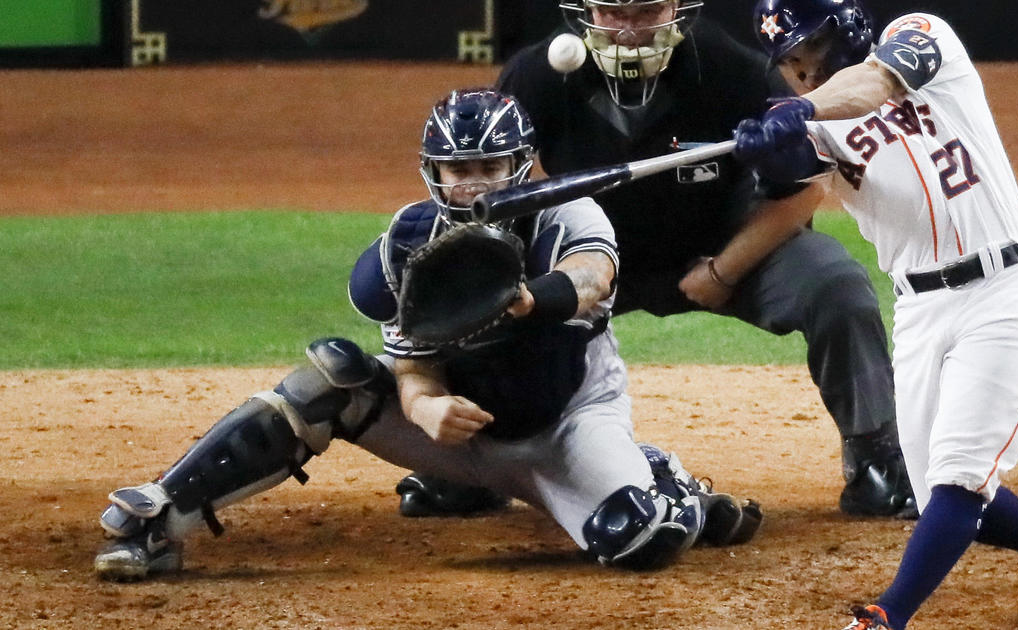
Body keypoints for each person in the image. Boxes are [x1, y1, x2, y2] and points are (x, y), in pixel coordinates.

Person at [92, 88, 762, 581]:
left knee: (641, 540)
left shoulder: (566, 215)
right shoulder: (407, 245)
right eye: (458, 170)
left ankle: (665, 485)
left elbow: (590, 278)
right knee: (332, 379)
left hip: (566, 430)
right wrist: (426, 407)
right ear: (434, 172)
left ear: (519, 167)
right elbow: (412, 367)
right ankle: (161, 516)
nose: (472, 186)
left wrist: (525, 298)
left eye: (490, 168)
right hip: (458, 435)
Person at [396, 0, 917, 521]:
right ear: (586, 12)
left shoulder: (728, 67)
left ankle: (877, 457)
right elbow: (502, 188)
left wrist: (724, 269)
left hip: (719, 248)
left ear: (676, 7)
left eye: (646, 11)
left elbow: (804, 186)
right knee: (489, 293)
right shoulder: (538, 75)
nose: (627, 31)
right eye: (612, 13)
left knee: (835, 286)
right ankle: (472, 465)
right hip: (586, 258)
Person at [733, 2, 1018, 628]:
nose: (804, 74)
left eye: (812, 52)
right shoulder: (820, 128)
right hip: (918, 312)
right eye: (791, 65)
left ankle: (885, 617)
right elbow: (791, 168)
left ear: (845, 29)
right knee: (948, 496)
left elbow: (872, 85)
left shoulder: (920, 37)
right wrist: (766, 145)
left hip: (1005, 291)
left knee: (960, 481)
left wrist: (800, 111)